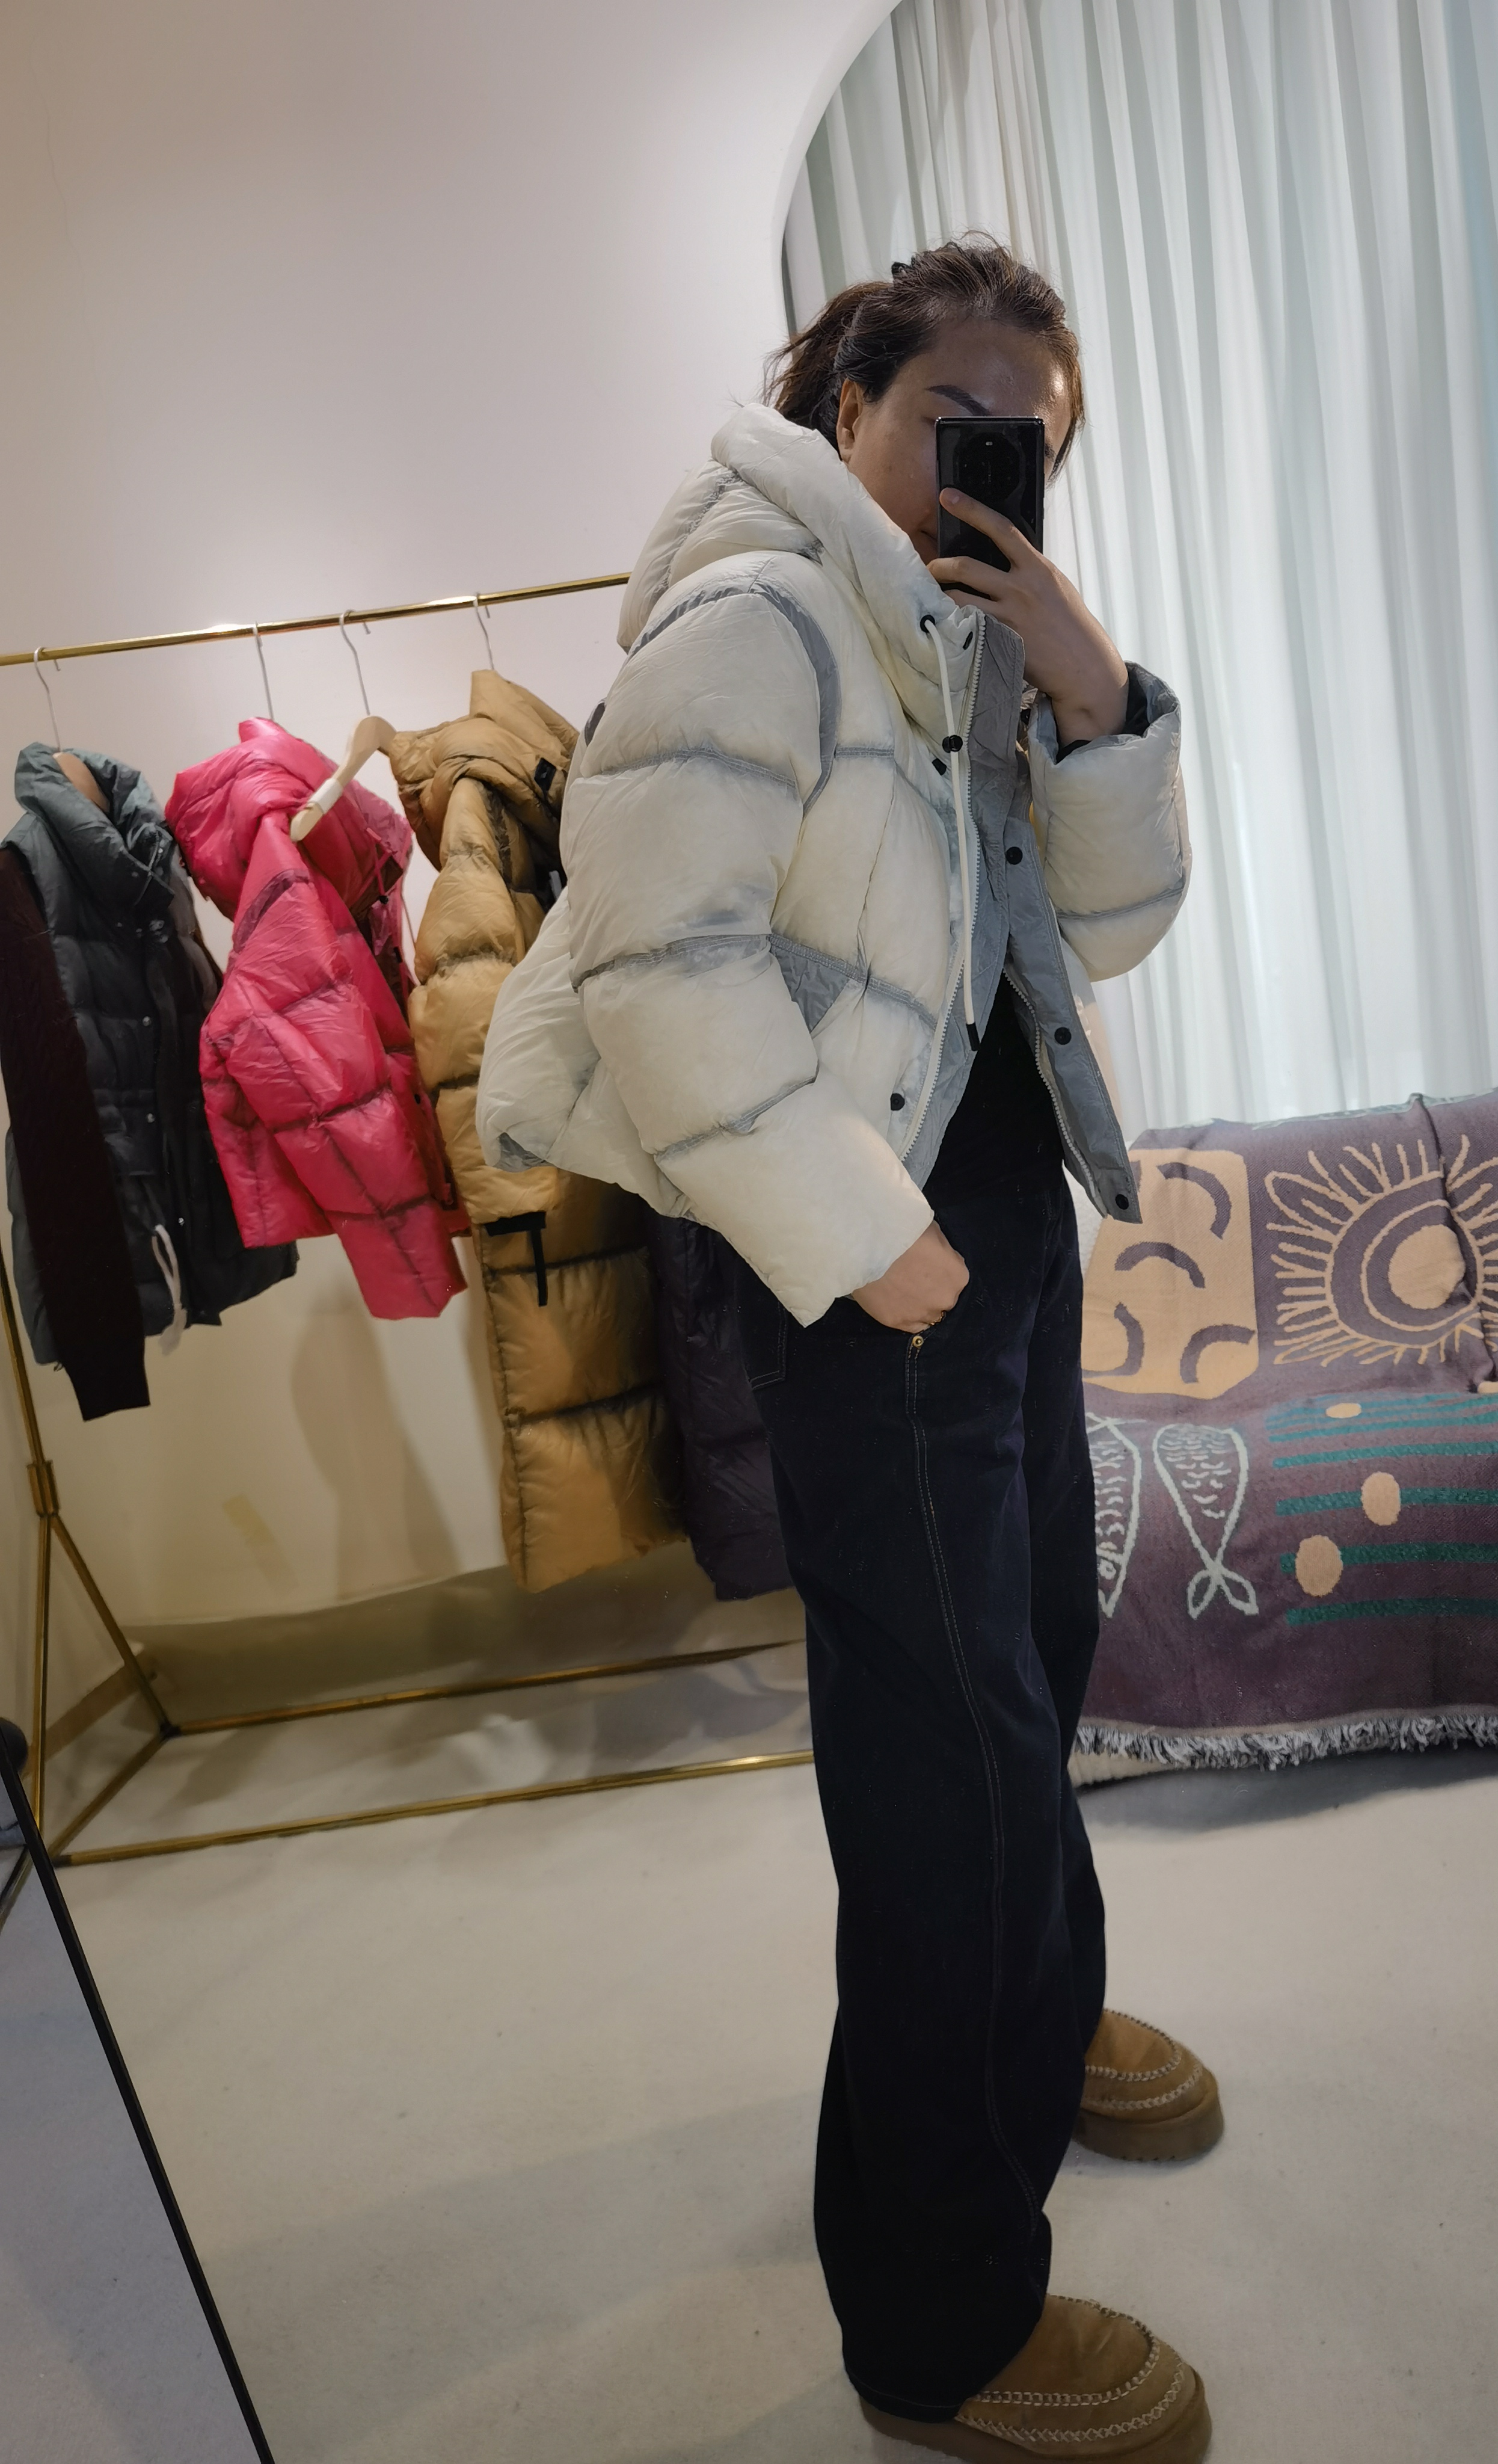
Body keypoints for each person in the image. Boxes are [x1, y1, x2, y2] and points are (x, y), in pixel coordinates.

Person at [484, 238, 1213, 2461]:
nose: (990, 465)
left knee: (1033, 1672)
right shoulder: (762, 614)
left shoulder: (954, 636)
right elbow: (655, 965)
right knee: (941, 1776)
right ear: (845, 405)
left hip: (992, 1224)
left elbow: (1100, 930)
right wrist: (865, 1240)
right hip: (870, 1259)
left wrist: (1099, 703)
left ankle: (1033, 2035)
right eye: (953, 419)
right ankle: (939, 2320)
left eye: (1034, 441)